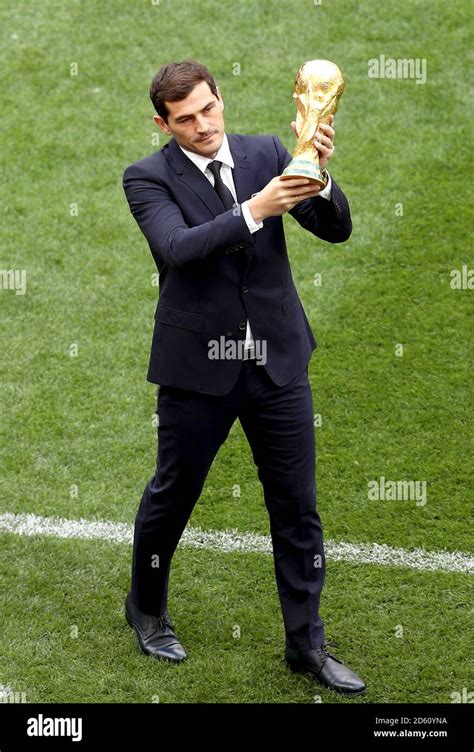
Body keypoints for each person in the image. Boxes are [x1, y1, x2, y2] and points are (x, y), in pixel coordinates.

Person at [122, 59, 365, 695]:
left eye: (208, 109)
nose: (202, 126)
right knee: (173, 495)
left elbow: (336, 229)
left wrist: (320, 173)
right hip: (198, 370)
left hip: (278, 363)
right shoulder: (147, 178)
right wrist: (257, 209)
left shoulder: (267, 151)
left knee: (297, 506)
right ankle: (146, 606)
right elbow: (178, 249)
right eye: (185, 119)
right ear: (163, 123)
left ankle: (306, 645)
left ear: (219, 99)